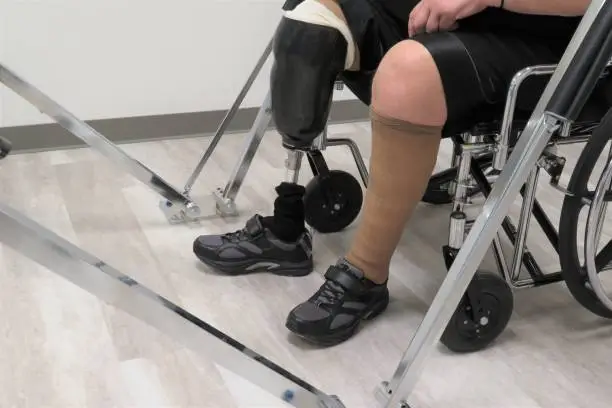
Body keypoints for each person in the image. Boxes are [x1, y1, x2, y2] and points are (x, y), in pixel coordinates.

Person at [193, 0, 586, 346]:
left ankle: (366, 274)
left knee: (408, 73)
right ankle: (287, 229)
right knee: (308, 26)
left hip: (551, 40)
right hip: (444, 12)